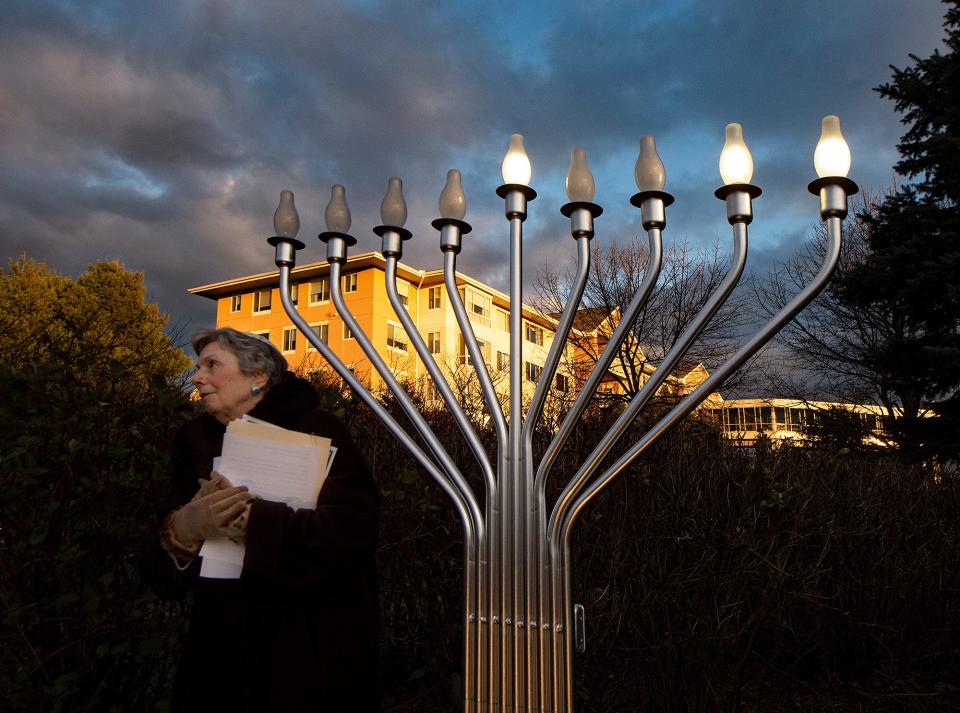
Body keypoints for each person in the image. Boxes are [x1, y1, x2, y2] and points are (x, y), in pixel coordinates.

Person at [142, 327, 380, 712]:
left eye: (212, 365)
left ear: (258, 377)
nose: (197, 377)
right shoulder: (193, 440)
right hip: (220, 653)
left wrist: (257, 524)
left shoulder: (318, 429)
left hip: (306, 648)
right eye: (197, 366)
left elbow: (355, 531)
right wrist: (184, 529)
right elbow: (160, 566)